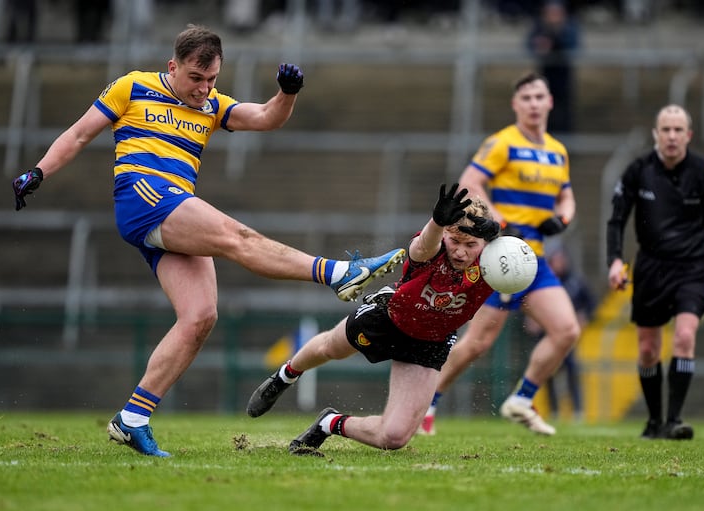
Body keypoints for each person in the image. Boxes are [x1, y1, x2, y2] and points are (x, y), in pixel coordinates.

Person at [11, 24, 405, 457]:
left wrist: (288, 93)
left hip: (174, 207)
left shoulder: (213, 105)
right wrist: (39, 171)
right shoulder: (132, 87)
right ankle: (338, 273)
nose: (203, 89)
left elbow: (265, 117)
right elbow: (79, 133)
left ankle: (133, 418)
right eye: (195, 79)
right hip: (144, 196)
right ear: (172, 67)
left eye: (211, 79)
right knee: (237, 236)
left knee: (199, 317)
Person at [246, 183, 501, 454]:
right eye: (455, 242)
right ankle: (285, 376)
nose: (461, 252)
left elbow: (521, 258)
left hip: (430, 344)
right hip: (389, 318)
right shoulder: (432, 248)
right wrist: (437, 223)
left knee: (394, 438)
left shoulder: (494, 261)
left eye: (470, 244)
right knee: (330, 348)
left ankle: (328, 423)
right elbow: (422, 245)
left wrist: (502, 233)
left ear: (485, 243)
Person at [420, 72, 580, 437]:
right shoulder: (502, 143)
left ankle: (522, 399)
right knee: (477, 343)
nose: (534, 104)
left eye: (540, 97)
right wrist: (499, 219)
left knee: (566, 330)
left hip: (534, 260)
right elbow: (468, 183)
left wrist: (563, 217)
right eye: (526, 98)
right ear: (516, 105)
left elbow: (567, 194)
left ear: (550, 102)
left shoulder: (558, 150)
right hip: (501, 260)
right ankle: (426, 401)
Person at [606, 104, 704, 440]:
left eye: (678, 130)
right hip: (651, 267)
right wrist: (615, 260)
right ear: (656, 134)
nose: (672, 136)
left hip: (694, 267)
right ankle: (654, 421)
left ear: (688, 135)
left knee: (683, 336)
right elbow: (617, 219)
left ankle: (675, 420)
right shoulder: (638, 171)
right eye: (666, 129)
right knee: (648, 349)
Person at [524, 244, 595, 420]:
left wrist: (584, 317)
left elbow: (591, 303)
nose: (558, 263)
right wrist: (533, 317)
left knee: (571, 370)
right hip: (546, 335)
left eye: (560, 259)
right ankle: (554, 410)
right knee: (547, 371)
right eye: (555, 260)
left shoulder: (576, 281)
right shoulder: (542, 283)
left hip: (567, 336)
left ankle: (578, 410)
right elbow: (526, 304)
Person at [526, 0, 580, 134]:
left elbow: (575, 47)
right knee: (544, 109)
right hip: (545, 75)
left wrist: (558, 41)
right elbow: (528, 45)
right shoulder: (539, 28)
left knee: (563, 111)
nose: (553, 16)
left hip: (563, 77)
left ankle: (565, 139)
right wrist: (539, 47)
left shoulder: (569, 28)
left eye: (556, 13)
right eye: (550, 13)